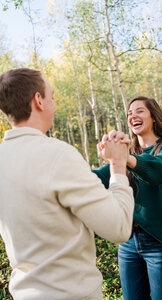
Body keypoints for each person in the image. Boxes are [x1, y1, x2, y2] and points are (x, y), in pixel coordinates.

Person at [0, 68, 135, 300]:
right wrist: (118, 164)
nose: (54, 103)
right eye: (52, 96)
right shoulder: (58, 154)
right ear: (39, 100)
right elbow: (119, 227)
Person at [93, 96, 162, 300]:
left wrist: (123, 157)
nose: (132, 116)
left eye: (139, 111)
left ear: (153, 116)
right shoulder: (128, 153)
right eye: (129, 113)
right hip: (128, 244)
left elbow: (161, 171)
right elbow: (98, 178)